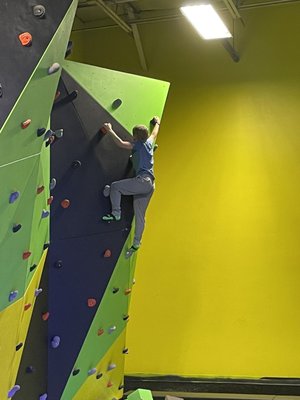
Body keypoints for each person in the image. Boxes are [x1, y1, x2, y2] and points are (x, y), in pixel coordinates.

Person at [101, 116, 160, 256]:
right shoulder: (149, 142)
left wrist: (110, 130)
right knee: (140, 215)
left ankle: (116, 213)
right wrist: (157, 122)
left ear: (135, 137)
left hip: (142, 181)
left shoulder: (138, 145)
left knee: (115, 187)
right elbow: (154, 133)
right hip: (150, 184)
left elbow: (121, 143)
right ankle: (136, 243)